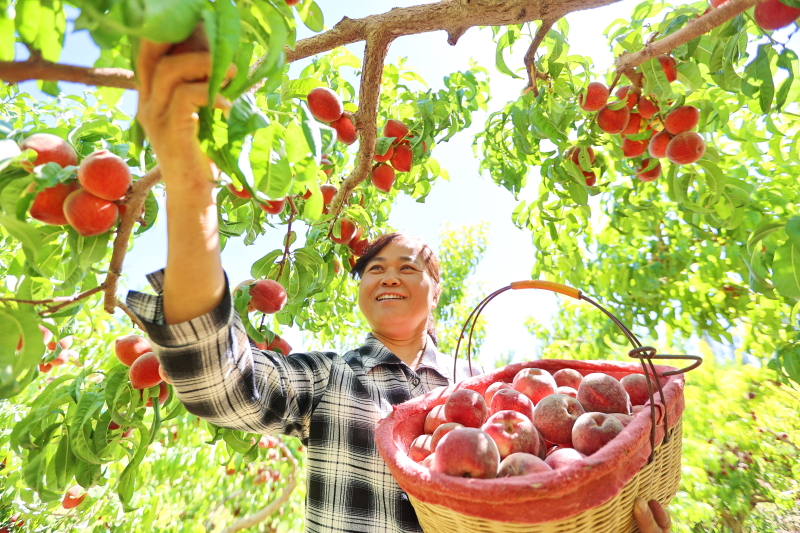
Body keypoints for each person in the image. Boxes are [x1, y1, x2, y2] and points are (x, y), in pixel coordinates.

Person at [130, 38, 672, 533]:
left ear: (436, 292)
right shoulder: (330, 378)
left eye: (409, 267)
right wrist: (189, 186)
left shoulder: (486, 386)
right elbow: (218, 381)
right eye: (374, 268)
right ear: (362, 291)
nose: (389, 274)